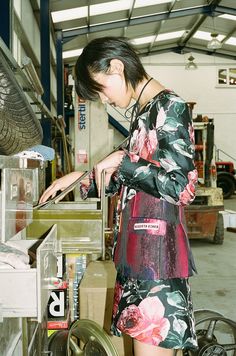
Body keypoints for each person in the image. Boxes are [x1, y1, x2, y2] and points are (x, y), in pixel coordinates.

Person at [39, 36, 198, 356]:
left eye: (100, 89)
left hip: (157, 262)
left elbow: (183, 187)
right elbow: (128, 177)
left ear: (116, 67)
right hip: (138, 256)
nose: (104, 99)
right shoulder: (145, 115)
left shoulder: (170, 107)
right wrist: (80, 177)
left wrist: (124, 161)